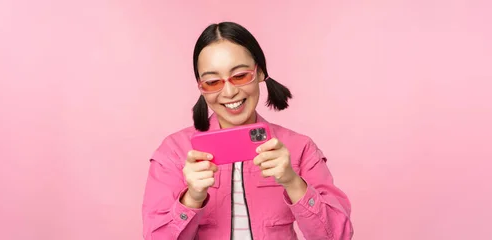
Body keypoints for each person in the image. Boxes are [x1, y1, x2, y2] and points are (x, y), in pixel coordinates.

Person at [142, 21, 353, 240]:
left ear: (260, 72)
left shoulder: (299, 148)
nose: (230, 92)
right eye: (213, 82)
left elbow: (338, 235)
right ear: (201, 87)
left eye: (240, 76)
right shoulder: (175, 152)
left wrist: (292, 181)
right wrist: (192, 198)